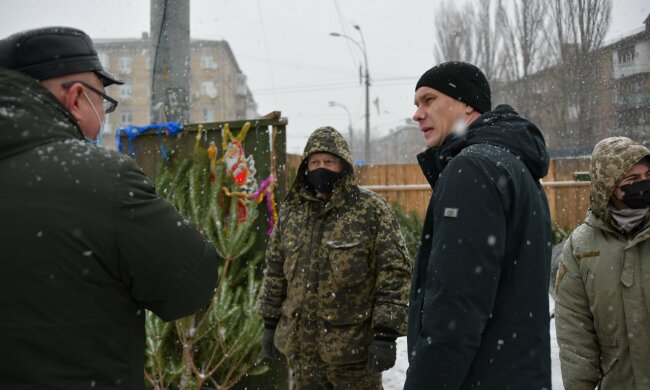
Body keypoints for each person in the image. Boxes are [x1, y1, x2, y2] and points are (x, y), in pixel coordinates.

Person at [0, 27, 218, 388]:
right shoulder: (100, 180)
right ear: (76, 98)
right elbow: (190, 285)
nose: (105, 113)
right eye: (104, 100)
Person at [404, 61, 552, 389]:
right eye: (416, 104)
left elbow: (455, 313)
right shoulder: (514, 165)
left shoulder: (471, 169)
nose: (417, 114)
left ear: (467, 103)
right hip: (515, 373)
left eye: (428, 100)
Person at [258, 126, 412, 389]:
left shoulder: (371, 211)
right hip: (302, 353)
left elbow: (394, 273)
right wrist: (270, 322)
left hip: (353, 355)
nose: (321, 168)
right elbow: (275, 271)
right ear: (305, 167)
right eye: (315, 162)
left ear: (344, 165)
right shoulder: (292, 212)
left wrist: (385, 335)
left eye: (329, 161)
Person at [555, 137, 650, 389]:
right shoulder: (581, 248)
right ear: (608, 188)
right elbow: (576, 337)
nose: (643, 185)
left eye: (648, 176)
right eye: (631, 181)